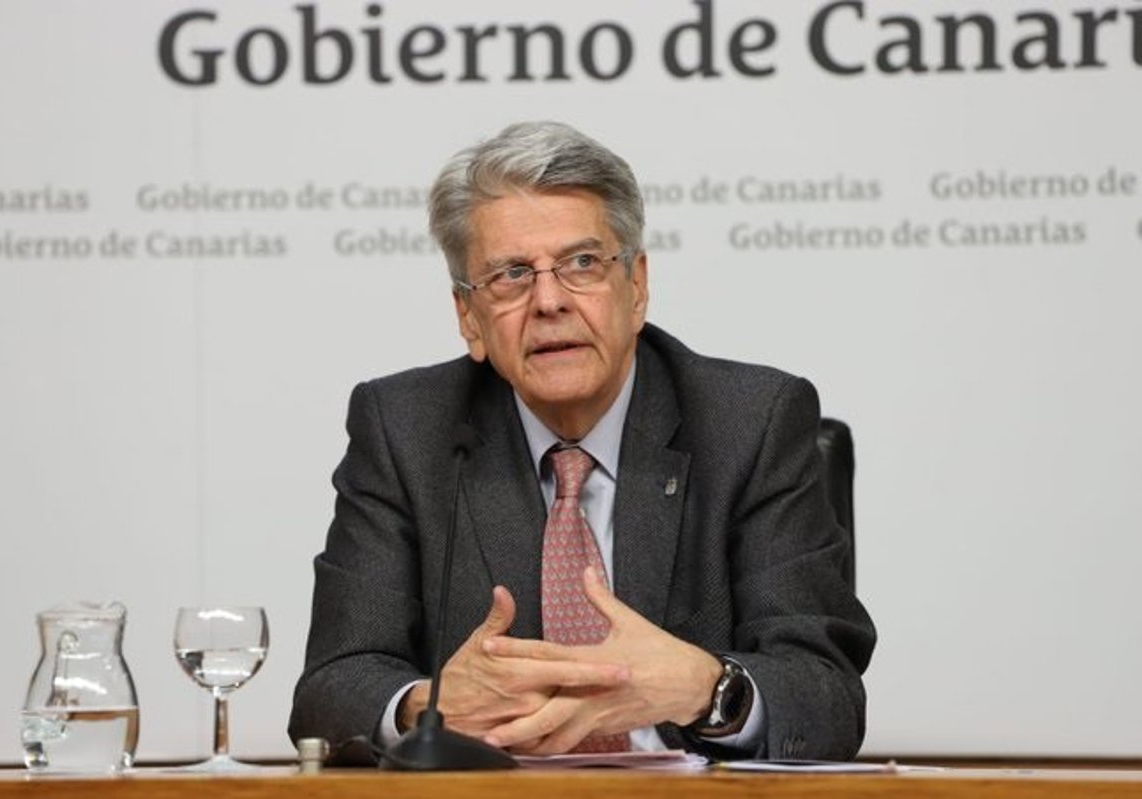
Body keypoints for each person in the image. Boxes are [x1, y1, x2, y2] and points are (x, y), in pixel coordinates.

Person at [289, 121, 876, 760]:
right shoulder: (406, 429)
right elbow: (330, 689)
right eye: (511, 274)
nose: (549, 301)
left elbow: (825, 696)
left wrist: (707, 689)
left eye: (583, 264)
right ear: (468, 317)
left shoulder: (750, 423)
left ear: (637, 286)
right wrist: (426, 706)